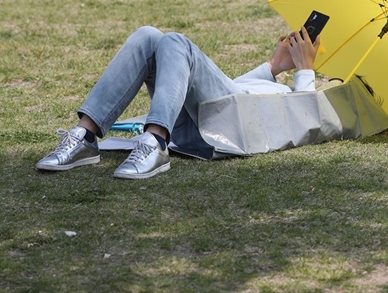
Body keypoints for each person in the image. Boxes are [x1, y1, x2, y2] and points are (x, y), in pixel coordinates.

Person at [36, 25, 321, 179]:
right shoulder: (277, 83)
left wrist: (307, 70)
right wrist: (274, 67)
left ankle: (156, 142)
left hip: (232, 131)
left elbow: (306, 122)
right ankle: (85, 135)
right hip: (208, 117)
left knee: (176, 42)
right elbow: (235, 89)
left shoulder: (312, 93)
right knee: (148, 35)